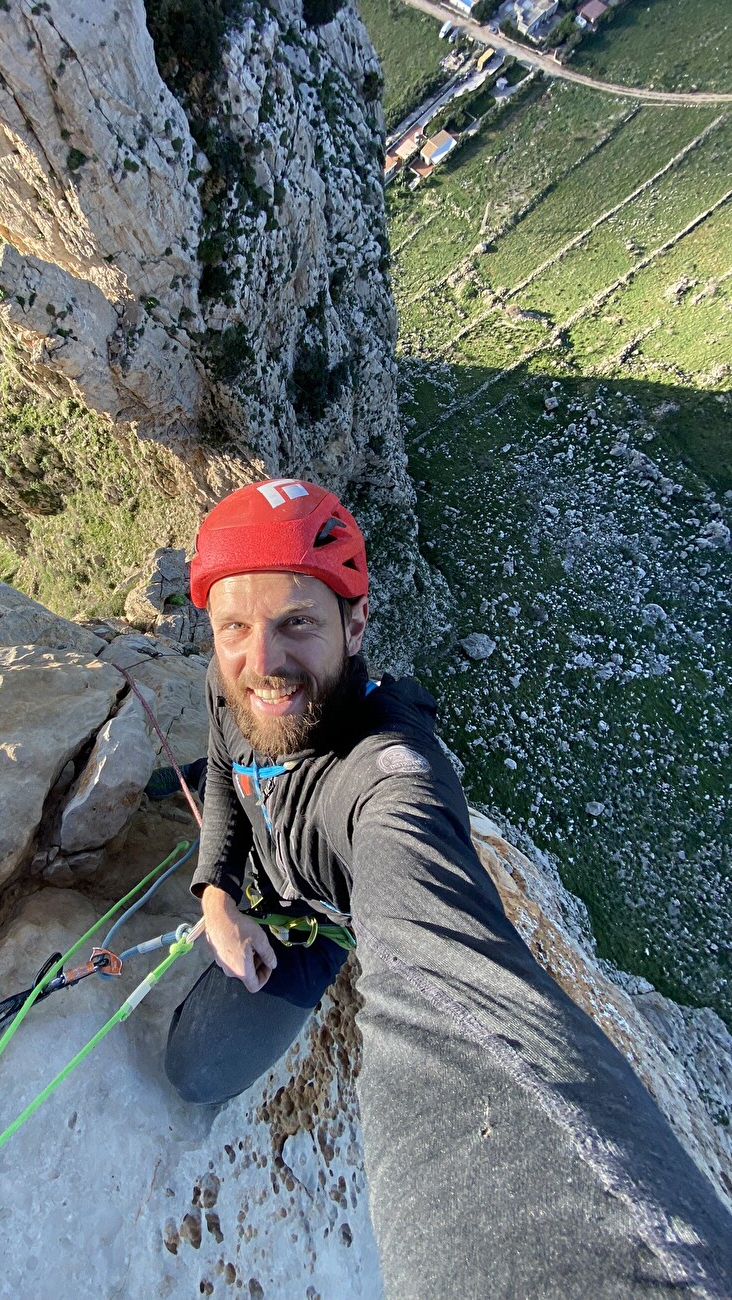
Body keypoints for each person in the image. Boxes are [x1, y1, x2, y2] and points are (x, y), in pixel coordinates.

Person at [162, 478, 732, 1299]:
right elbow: (225, 765)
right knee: (185, 1067)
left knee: (195, 1072)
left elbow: (455, 996)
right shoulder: (238, 685)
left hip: (318, 928)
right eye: (234, 631)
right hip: (258, 893)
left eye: (296, 624)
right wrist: (215, 890)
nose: (263, 664)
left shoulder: (391, 778)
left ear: (355, 624)